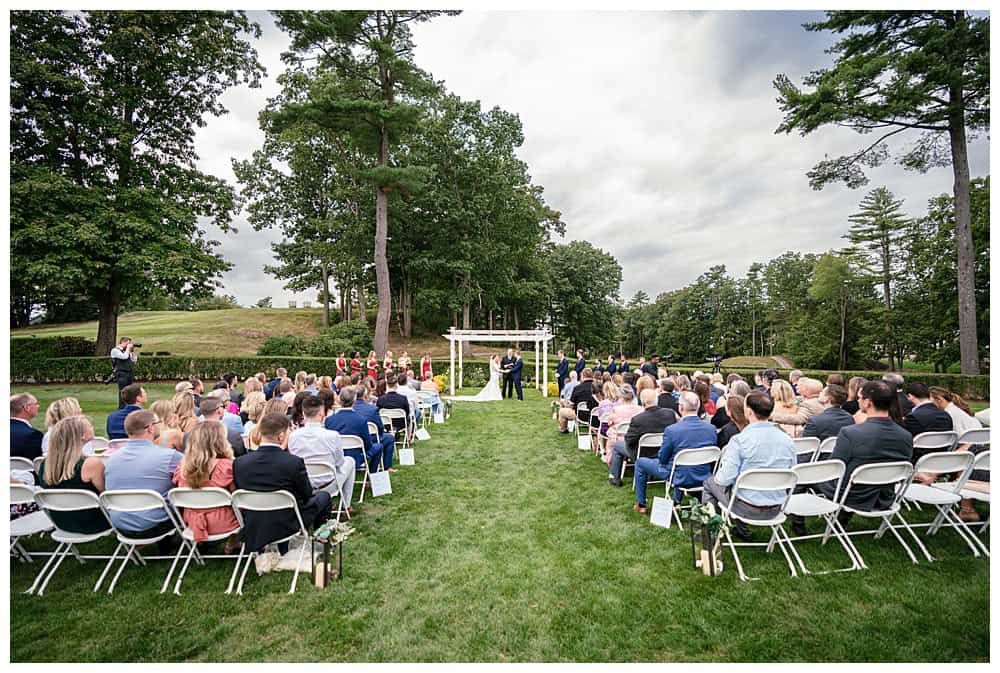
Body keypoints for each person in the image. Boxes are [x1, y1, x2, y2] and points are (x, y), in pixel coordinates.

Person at [807, 380, 913, 530]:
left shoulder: (851, 432)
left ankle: (798, 526)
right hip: (884, 498)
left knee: (805, 477)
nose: (858, 401)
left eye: (860, 397)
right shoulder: (906, 436)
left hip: (850, 495)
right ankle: (839, 523)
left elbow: (834, 468)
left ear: (868, 403)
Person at [701, 392, 796, 541]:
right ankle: (739, 530)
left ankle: (710, 534)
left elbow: (723, 480)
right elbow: (792, 472)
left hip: (746, 508)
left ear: (749, 412)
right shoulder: (787, 440)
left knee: (710, 483)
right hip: (777, 506)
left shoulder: (740, 440)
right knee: (734, 483)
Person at [233, 412, 332, 553]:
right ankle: (320, 540)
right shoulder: (293, 462)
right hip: (286, 523)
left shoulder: (240, 462)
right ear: (281, 436)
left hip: (254, 522)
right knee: (324, 497)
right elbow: (307, 495)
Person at [103, 409, 183, 552]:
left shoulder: (111, 459)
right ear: (151, 428)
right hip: (155, 524)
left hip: (120, 525)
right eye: (158, 423)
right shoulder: (169, 456)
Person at [633, 391, 717, 514]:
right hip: (704, 476)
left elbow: (662, 459)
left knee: (640, 462)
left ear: (681, 407)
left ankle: (642, 504)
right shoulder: (711, 429)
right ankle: (676, 501)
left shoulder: (672, 430)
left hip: (679, 476)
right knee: (677, 462)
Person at [172, 421, 240, 552]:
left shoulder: (182, 467)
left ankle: (201, 544)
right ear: (220, 441)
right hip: (224, 522)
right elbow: (236, 497)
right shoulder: (227, 466)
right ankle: (233, 542)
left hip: (191, 522)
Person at [38, 416, 109, 534]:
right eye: (89, 426)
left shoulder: (46, 464)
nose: (92, 427)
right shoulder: (90, 464)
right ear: (82, 435)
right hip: (95, 523)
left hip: (62, 523)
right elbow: (107, 495)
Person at [288, 396, 355, 512]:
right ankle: (346, 506)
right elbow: (339, 463)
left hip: (304, 484)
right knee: (350, 461)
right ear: (321, 412)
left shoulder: (293, 436)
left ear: (303, 413)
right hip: (328, 484)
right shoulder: (332, 436)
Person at [609, 388, 678, 486]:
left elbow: (628, 440)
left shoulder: (638, 419)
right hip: (664, 451)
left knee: (617, 446)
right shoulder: (670, 414)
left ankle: (615, 477)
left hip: (643, 453)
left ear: (643, 402)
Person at [325, 386, 393, 473]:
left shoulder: (329, 420)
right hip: (357, 457)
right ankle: (371, 477)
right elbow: (368, 445)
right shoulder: (361, 420)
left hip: (336, 457)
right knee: (378, 447)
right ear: (354, 400)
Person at [903, 382, 954, 458]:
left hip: (919, 461)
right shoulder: (946, 415)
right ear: (929, 395)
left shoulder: (913, 417)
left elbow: (905, 442)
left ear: (910, 396)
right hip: (941, 459)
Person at [558, 368, 597, 433]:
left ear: (582, 376)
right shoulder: (598, 386)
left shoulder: (577, 388)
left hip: (580, 415)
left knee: (561, 412)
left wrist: (565, 404)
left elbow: (571, 405)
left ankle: (563, 429)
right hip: (595, 414)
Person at [110, 336, 138, 409]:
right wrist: (128, 349)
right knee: (123, 391)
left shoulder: (127, 351)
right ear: (123, 342)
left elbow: (134, 360)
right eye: (128, 343)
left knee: (130, 391)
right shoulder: (115, 350)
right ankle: (122, 407)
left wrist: (132, 352)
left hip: (129, 373)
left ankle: (129, 406)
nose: (129, 345)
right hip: (121, 373)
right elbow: (124, 357)